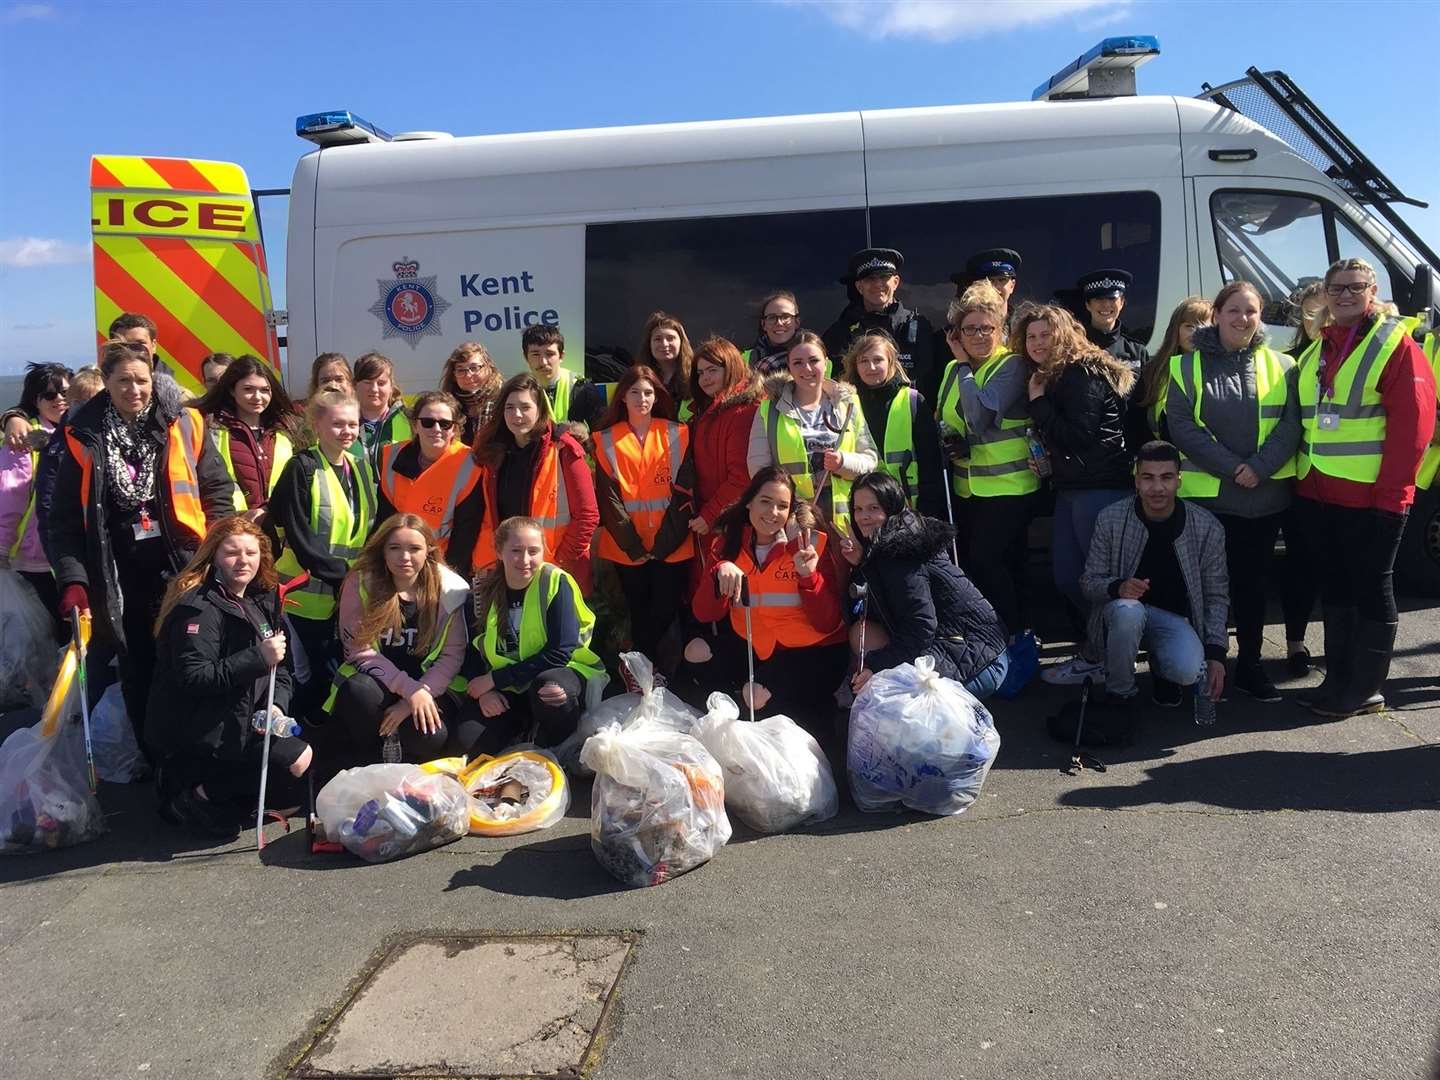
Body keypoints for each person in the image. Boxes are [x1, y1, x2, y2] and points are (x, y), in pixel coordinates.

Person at [50, 339, 236, 751]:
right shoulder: (83, 436)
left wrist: (222, 550)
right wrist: (74, 581)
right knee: (139, 671)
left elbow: (217, 490)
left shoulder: (185, 423)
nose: (134, 390)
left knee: (192, 660)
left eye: (142, 380)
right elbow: (62, 522)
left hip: (185, 567)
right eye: (123, 382)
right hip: (120, 578)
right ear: (106, 383)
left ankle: (199, 755)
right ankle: (156, 760)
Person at [1293, 258, 1436, 717]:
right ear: (1326, 293)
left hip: (1373, 498)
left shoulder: (1393, 344)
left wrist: (1393, 499)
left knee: (1372, 586)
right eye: (1337, 288)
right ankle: (1339, 679)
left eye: (1356, 287)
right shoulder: (1317, 349)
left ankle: (1366, 689)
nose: (1346, 295)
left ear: (1372, 291)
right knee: (1336, 588)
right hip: (1318, 494)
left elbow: (1412, 427)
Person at [1164, 281, 1301, 703]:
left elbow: (1291, 424)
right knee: (1204, 588)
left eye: (1252, 312)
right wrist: (1233, 468)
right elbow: (1182, 427)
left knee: (1252, 587)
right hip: (1209, 501)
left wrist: (1258, 468)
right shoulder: (1186, 366)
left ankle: (1251, 665)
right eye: (1234, 311)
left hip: (1263, 500)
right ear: (1217, 315)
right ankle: (1207, 665)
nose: (1243, 319)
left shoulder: (1284, 364)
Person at [147, 515, 313, 837]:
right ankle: (194, 791)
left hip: (245, 716)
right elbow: (194, 678)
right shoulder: (197, 609)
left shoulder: (260, 600)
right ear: (214, 556)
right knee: (294, 763)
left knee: (301, 771)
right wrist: (257, 657)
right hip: (202, 728)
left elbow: (282, 671)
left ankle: (227, 793)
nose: (243, 561)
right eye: (232, 553)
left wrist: (275, 708)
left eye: (250, 553)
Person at [681, 467, 848, 736]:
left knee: (757, 694)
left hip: (814, 650)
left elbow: (828, 622)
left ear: (791, 511)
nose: (772, 513)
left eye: (782, 506)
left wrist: (808, 576)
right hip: (759, 645)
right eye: (765, 502)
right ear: (749, 502)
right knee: (695, 652)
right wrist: (719, 573)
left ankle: (804, 721)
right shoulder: (729, 544)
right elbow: (704, 614)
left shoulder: (808, 543)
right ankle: (730, 726)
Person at [1021, 305, 1136, 685]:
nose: (1037, 343)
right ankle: (1100, 650)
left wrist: (1037, 402)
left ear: (1064, 335)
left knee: (1095, 581)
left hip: (1098, 490)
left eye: (1045, 335)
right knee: (1070, 578)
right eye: (1031, 336)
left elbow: (1077, 436)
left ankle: (1108, 658)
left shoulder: (1078, 373)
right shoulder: (1061, 374)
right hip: (1075, 488)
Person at [1080, 441, 1229, 718]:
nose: (1157, 488)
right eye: (1148, 478)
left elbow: (1216, 596)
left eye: (1166, 477)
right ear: (1136, 481)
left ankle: (1164, 670)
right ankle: (1120, 695)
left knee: (1190, 671)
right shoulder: (1110, 518)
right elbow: (1089, 583)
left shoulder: (1207, 527)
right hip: (1123, 616)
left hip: (1174, 620)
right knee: (1128, 611)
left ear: (1179, 480)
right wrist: (1118, 586)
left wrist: (1217, 653)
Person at [843, 472, 1009, 701]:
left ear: (892, 508)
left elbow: (920, 625)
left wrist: (876, 666)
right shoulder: (887, 545)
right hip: (964, 644)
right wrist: (862, 562)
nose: (864, 517)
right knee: (864, 632)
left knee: (893, 702)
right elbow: (878, 610)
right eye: (858, 509)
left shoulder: (901, 551)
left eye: (873, 508)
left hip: (979, 656)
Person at [326, 514, 477, 764]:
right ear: (382, 550)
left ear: (428, 550)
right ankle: (372, 761)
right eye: (394, 548)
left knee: (431, 737)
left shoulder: (452, 590)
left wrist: (415, 698)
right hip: (379, 683)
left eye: (414, 549)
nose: (404, 557)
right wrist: (409, 689)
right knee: (357, 693)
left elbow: (452, 655)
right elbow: (357, 649)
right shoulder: (361, 582)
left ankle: (405, 764)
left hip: (428, 686)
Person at [935, 283, 1038, 635]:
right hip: (969, 491)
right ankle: (992, 637)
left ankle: (1014, 634)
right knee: (976, 567)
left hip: (1009, 489)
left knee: (988, 561)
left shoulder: (1010, 365)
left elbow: (978, 417)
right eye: (969, 329)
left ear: (1000, 330)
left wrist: (963, 364)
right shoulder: (951, 372)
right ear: (957, 333)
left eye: (986, 328)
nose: (978, 336)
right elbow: (947, 421)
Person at [269, 390, 376, 715]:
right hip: (306, 597)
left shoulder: (361, 467)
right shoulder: (301, 468)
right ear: (317, 425)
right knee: (308, 676)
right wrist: (345, 578)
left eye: (353, 424)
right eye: (338, 424)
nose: (347, 431)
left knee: (343, 670)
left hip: (350, 596)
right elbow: (301, 539)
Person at [464, 515, 604, 753]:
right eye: (516, 550)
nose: (525, 560)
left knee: (550, 690)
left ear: (543, 552)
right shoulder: (482, 589)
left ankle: (559, 743)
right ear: (499, 551)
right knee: (467, 742)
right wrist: (486, 692)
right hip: (508, 686)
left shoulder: (554, 581)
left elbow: (560, 652)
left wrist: (494, 680)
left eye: (533, 551)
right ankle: (522, 727)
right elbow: (471, 647)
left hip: (559, 672)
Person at [593, 364, 697, 662]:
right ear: (622, 397)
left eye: (648, 392)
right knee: (638, 612)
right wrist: (634, 546)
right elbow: (608, 499)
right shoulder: (605, 439)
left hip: (672, 546)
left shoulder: (679, 434)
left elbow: (686, 492)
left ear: (657, 397)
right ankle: (644, 678)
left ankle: (665, 677)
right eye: (634, 392)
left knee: (667, 612)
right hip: (628, 549)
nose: (642, 398)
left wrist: (664, 544)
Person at [470, 372, 598, 593]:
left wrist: (557, 562)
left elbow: (587, 515)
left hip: (555, 571)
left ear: (540, 410)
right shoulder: (492, 452)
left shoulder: (563, 449)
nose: (516, 415)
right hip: (507, 569)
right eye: (509, 408)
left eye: (525, 407)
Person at [748, 332, 877, 536]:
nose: (807, 369)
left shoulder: (848, 404)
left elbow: (870, 460)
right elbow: (759, 471)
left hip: (846, 519)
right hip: (794, 518)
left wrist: (842, 462)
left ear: (826, 363)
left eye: (814, 360)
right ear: (789, 367)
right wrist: (790, 509)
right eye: (798, 362)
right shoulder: (768, 410)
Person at [375, 391, 484, 577]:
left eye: (445, 424)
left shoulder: (470, 463)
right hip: (399, 563)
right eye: (427, 422)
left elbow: (465, 533)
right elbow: (384, 522)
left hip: (443, 566)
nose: (436, 429)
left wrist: (447, 577)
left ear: (455, 429)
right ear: (415, 426)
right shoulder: (391, 456)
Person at [843, 329, 945, 520]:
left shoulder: (913, 401)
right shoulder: (844, 404)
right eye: (863, 361)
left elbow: (931, 464)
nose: (871, 367)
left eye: (878, 360)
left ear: (891, 362)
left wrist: (926, 513)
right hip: (859, 512)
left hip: (907, 509)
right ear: (854, 365)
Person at [0, 363, 72, 632]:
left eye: (66, 392)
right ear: (35, 401)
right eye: (50, 395)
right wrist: (2, 550)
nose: (60, 399)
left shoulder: (77, 432)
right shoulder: (23, 440)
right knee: (41, 637)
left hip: (68, 556)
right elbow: (9, 498)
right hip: (33, 560)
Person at [821, 247, 940, 401]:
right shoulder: (841, 331)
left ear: (896, 282)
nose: (877, 284)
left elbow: (930, 380)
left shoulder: (917, 327)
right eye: (870, 279)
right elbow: (832, 382)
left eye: (884, 277)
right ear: (859, 287)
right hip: (856, 418)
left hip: (906, 418)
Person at [193, 354, 299, 524]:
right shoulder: (214, 429)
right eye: (248, 389)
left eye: (265, 390)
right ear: (232, 390)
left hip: (280, 532)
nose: (258, 397)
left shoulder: (285, 431)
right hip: (233, 529)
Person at [687, 337, 763, 539]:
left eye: (713, 370)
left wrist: (709, 515)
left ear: (731, 368)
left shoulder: (743, 413)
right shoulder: (707, 411)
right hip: (713, 520)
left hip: (729, 524)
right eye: (700, 373)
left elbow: (741, 477)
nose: (705, 378)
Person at [1135, 295, 1212, 442]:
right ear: (1175, 330)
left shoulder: (1221, 371)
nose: (1196, 332)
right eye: (1189, 326)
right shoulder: (1153, 370)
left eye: (1204, 326)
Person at [521, 324, 604, 430]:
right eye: (535, 354)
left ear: (561, 356)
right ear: (525, 357)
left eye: (549, 354)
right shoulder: (518, 392)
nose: (543, 362)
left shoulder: (583, 389)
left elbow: (599, 434)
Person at [1077, 269, 1150, 374]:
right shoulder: (1075, 349)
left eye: (1112, 298)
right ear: (1088, 305)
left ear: (1122, 303)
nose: (1106, 304)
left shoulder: (1137, 352)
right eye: (1099, 298)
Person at [352, 352, 411, 464]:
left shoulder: (409, 420)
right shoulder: (342, 423)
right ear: (355, 385)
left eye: (381, 383)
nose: (374, 389)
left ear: (391, 387)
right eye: (367, 382)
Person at [440, 341, 502, 445]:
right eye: (461, 370)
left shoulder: (504, 398)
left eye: (474, 368)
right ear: (454, 375)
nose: (468, 375)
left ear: (489, 368)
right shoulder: (447, 406)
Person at [636, 311, 695, 417]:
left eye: (670, 338)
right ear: (649, 344)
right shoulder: (637, 377)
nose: (664, 344)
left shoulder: (697, 376)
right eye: (657, 339)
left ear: (681, 342)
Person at [742, 291, 805, 376]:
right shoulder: (744, 360)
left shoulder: (815, 358)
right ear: (763, 324)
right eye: (772, 317)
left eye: (786, 317)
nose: (779, 323)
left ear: (797, 322)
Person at [949, 248, 1022, 316]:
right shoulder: (962, 327)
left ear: (1012, 286)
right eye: (990, 280)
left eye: (1002, 280)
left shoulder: (1025, 327)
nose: (996, 286)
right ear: (978, 286)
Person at [1287, 281, 1328, 359]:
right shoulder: (1290, 362)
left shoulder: (1352, 355)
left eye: (1324, 314)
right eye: (1310, 315)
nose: (1316, 322)